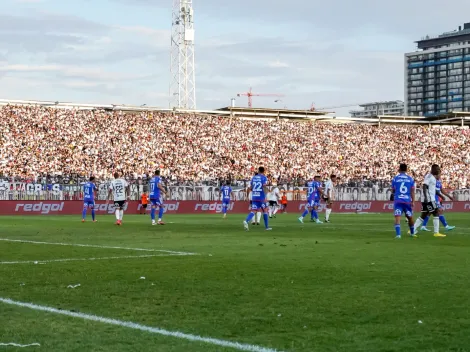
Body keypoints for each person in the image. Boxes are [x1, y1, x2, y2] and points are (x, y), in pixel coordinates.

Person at [412, 165, 446, 237]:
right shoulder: (430, 177)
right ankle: (436, 233)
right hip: (429, 199)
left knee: (423, 215)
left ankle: (412, 230)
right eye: (439, 172)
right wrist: (426, 198)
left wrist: (441, 196)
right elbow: (424, 186)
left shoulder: (431, 177)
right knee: (436, 213)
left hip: (427, 198)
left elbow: (432, 190)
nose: (440, 175)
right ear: (436, 171)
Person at [390, 164, 416, 239]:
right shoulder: (410, 179)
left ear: (399, 169)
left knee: (397, 217)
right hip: (407, 201)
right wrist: (413, 201)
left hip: (398, 200)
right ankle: (412, 233)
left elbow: (393, 190)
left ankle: (398, 235)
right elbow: (412, 191)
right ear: (406, 169)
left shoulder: (395, 178)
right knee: (410, 217)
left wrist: (393, 193)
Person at [243, 167, 272, 231]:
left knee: (253, 211)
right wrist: (266, 194)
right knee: (265, 210)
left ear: (258, 170)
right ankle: (267, 227)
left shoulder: (254, 177)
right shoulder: (264, 177)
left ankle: (246, 221)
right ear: (264, 171)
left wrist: (247, 196)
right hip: (261, 197)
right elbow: (264, 186)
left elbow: (249, 188)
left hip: (254, 197)